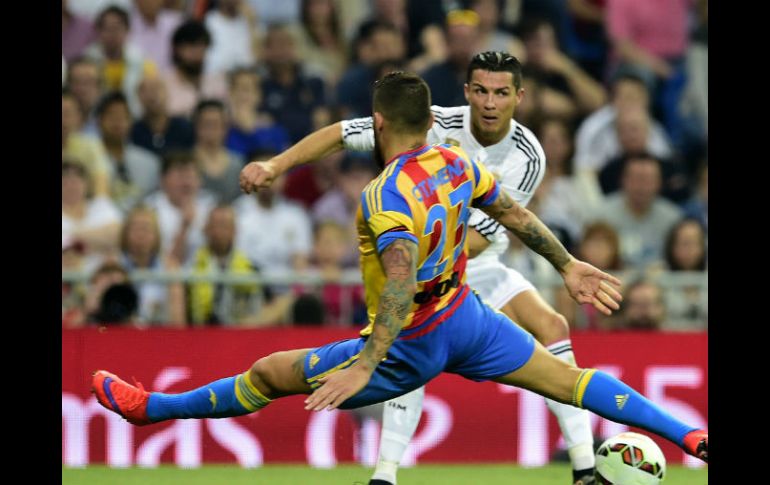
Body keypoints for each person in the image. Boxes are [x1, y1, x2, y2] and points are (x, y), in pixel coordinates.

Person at [93, 72, 708, 479]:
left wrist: (367, 363)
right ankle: (689, 435)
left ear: (380, 123)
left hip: (411, 340)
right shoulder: (456, 161)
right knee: (570, 380)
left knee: (268, 372)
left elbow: (398, 281)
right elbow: (515, 214)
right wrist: (567, 263)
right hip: (467, 319)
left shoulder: (385, 195)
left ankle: (153, 408)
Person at [242, 51, 604, 485]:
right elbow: (342, 133)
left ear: (518, 97)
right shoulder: (429, 122)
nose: (490, 103)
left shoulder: (528, 155)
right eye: (482, 91)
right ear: (467, 92)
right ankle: (385, 474)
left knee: (553, 326)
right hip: (427, 268)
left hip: (478, 262)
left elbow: (487, 233)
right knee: (416, 346)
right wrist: (275, 165)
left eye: (501, 93)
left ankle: (584, 466)